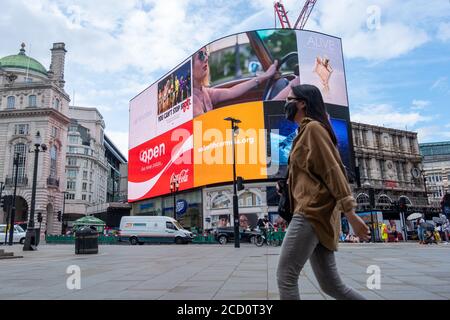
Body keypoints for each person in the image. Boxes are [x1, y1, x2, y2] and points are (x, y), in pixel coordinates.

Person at [276, 84, 370, 300]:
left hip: (311, 213)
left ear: (302, 103)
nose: (285, 104)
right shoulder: (304, 132)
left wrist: (351, 214)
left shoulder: (313, 129)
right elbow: (313, 173)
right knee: (331, 286)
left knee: (285, 277)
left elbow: (333, 171)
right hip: (318, 215)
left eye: (288, 99)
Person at [192, 47, 279, 117]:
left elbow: (232, 91)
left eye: (206, 53)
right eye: (201, 56)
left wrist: (263, 76)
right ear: (189, 69)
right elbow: (203, 128)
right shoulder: (192, 102)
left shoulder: (203, 91)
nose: (206, 58)